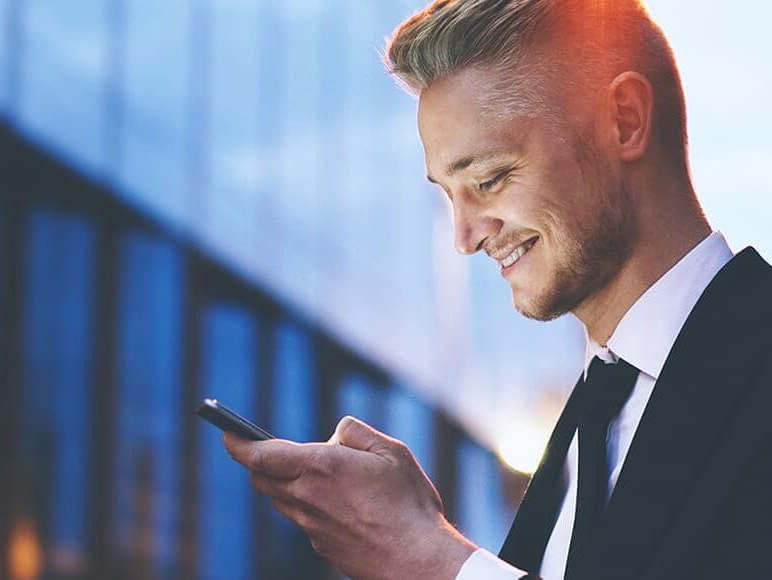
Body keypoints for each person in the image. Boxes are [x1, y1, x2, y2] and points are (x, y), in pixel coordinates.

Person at [222, 1, 772, 578]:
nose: (465, 237)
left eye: (489, 178)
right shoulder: (586, 421)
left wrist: (432, 558)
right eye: (448, 194)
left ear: (626, 121)